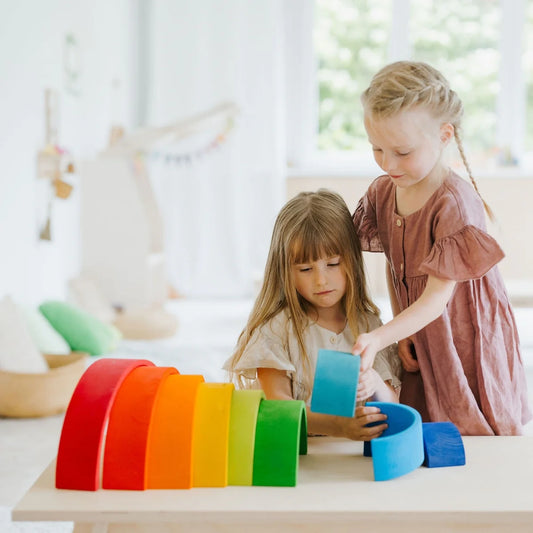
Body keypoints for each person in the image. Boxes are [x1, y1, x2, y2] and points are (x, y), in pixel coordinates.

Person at [352, 60, 532, 435]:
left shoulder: (453, 203)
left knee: (471, 419)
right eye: (377, 149)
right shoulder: (383, 192)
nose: (388, 164)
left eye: (402, 152)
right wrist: (403, 330)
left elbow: (436, 299)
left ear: (444, 134)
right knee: (425, 420)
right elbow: (395, 266)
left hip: (464, 331)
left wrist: (382, 335)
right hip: (421, 326)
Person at [224, 189, 401, 441]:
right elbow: (279, 408)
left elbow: (395, 406)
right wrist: (340, 427)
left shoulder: (369, 326)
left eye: (333, 264)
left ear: (351, 260)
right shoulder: (275, 330)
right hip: (297, 461)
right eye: (306, 269)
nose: (321, 280)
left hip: (352, 462)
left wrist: (374, 383)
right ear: (285, 270)